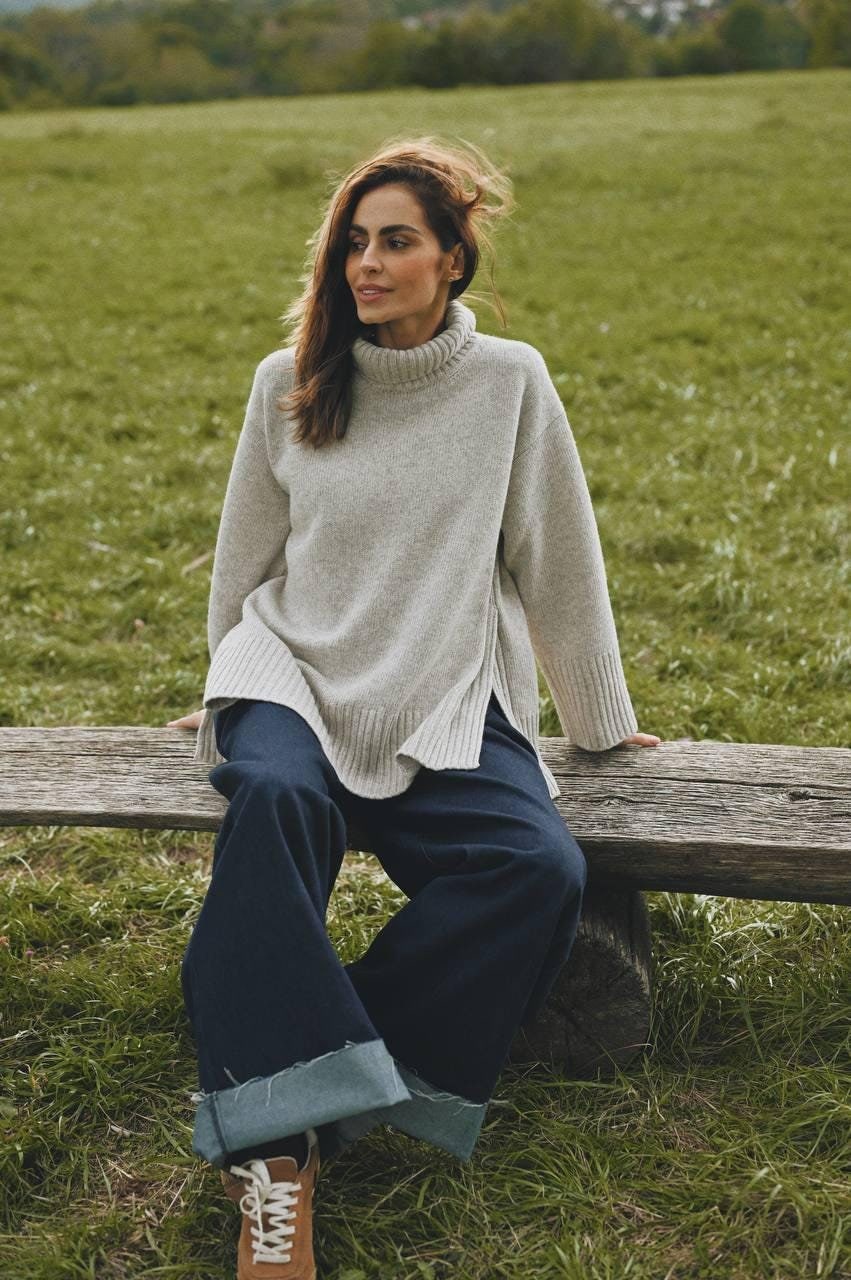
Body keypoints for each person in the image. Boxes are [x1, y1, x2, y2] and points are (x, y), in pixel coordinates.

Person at [167, 134, 661, 1280]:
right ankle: (274, 1162)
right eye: (354, 242)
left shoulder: (508, 383)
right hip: (290, 669)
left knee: (536, 867)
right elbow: (243, 562)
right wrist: (221, 686)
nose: (367, 263)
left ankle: (303, 1063)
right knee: (276, 799)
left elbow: (558, 561)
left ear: (452, 258)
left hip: (442, 682)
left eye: (395, 241)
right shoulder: (287, 380)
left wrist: (596, 720)